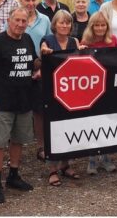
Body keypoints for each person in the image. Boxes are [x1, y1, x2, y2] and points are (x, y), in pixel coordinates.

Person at [0, 7, 39, 204]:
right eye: (17, 20)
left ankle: (13, 175)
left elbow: (33, 64)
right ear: (9, 20)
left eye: (24, 21)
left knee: (18, 140)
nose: (20, 24)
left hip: (23, 100)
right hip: (1, 102)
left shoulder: (28, 40)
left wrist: (49, 57)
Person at [39, 10, 82, 186]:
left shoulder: (75, 41)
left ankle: (66, 165)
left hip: (70, 91)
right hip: (52, 92)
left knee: (69, 127)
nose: (64, 26)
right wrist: (45, 52)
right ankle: (52, 169)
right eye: (61, 23)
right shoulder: (47, 40)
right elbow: (42, 53)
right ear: (54, 24)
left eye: (67, 23)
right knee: (53, 130)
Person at [80, 12, 117, 174]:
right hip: (91, 89)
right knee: (93, 124)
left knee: (107, 123)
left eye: (103, 25)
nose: (100, 28)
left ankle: (106, 158)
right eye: (97, 25)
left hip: (109, 86)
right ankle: (92, 160)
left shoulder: (113, 40)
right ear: (92, 26)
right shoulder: (85, 43)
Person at [19, 0, 52, 163]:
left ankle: (41, 146)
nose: (31, 3)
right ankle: (17, 147)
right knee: (20, 109)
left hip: (40, 70)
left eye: (33, 0)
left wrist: (40, 69)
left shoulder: (45, 20)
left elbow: (48, 43)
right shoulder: (15, 19)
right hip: (19, 69)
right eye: (27, 0)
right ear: (20, 1)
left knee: (40, 111)